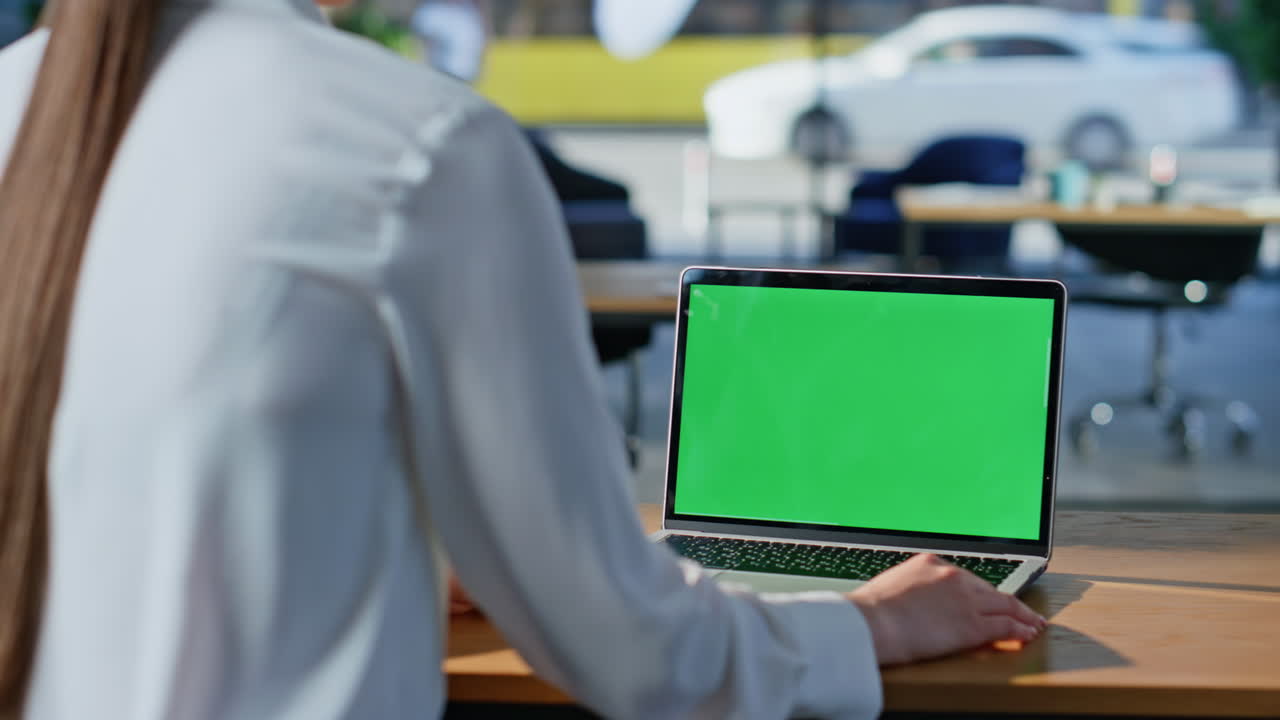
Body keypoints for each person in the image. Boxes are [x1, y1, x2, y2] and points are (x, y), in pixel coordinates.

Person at [0, 1, 1045, 718]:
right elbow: (639, 655)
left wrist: (409, 545)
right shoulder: (417, 148)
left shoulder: (18, 95)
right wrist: (867, 626)